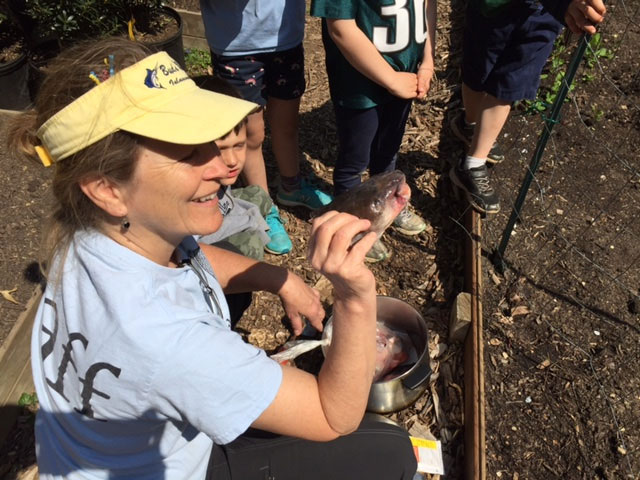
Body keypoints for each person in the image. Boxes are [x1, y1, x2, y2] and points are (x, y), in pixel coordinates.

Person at [10, 38, 418, 480]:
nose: (224, 163)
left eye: (210, 138)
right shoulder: (166, 339)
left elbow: (188, 255)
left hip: (87, 455)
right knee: (391, 451)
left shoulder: (91, 230)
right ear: (107, 188)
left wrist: (278, 279)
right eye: (189, 154)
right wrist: (355, 297)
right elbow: (330, 416)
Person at [199, 0, 333, 255]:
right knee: (252, 134)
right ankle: (264, 206)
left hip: (285, 37)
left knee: (286, 125)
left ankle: (291, 187)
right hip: (235, 45)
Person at [449, 0, 607, 214]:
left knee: (509, 85)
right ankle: (470, 123)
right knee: (477, 72)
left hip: (543, 16)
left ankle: (473, 164)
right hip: (496, 8)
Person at [311, 0, 436, 262]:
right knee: (355, 161)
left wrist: (426, 61)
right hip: (360, 85)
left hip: (405, 74)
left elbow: (426, 5)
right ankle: (352, 227)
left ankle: (392, 205)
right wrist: (391, 80)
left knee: (388, 149)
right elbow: (340, 27)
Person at [196, 76, 291, 258]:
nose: (232, 160)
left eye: (239, 145)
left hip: (224, 208)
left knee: (258, 193)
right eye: (221, 149)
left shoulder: (217, 174)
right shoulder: (193, 191)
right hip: (207, 247)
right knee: (250, 247)